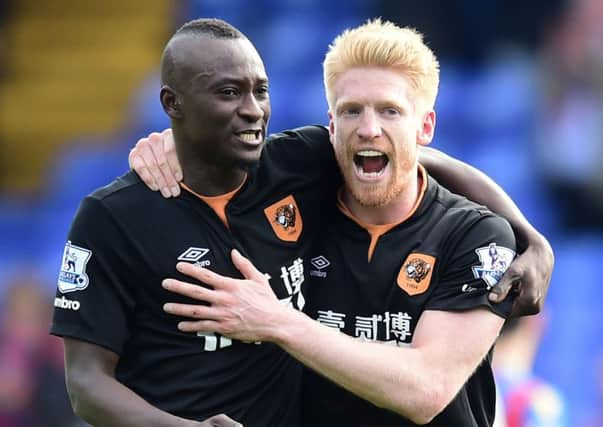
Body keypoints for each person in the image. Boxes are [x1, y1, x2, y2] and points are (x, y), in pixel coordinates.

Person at [149, 19, 541, 426]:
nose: (369, 130)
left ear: (425, 126)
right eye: (352, 111)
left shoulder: (476, 236)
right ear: (331, 126)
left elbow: (426, 389)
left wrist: (278, 321)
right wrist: (179, 146)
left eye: (390, 111)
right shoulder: (298, 205)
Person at [51, 18, 346, 427]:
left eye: (261, 91)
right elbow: (85, 383)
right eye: (229, 93)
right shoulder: (111, 218)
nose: (253, 110)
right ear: (173, 104)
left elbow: (402, 161)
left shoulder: (300, 163)